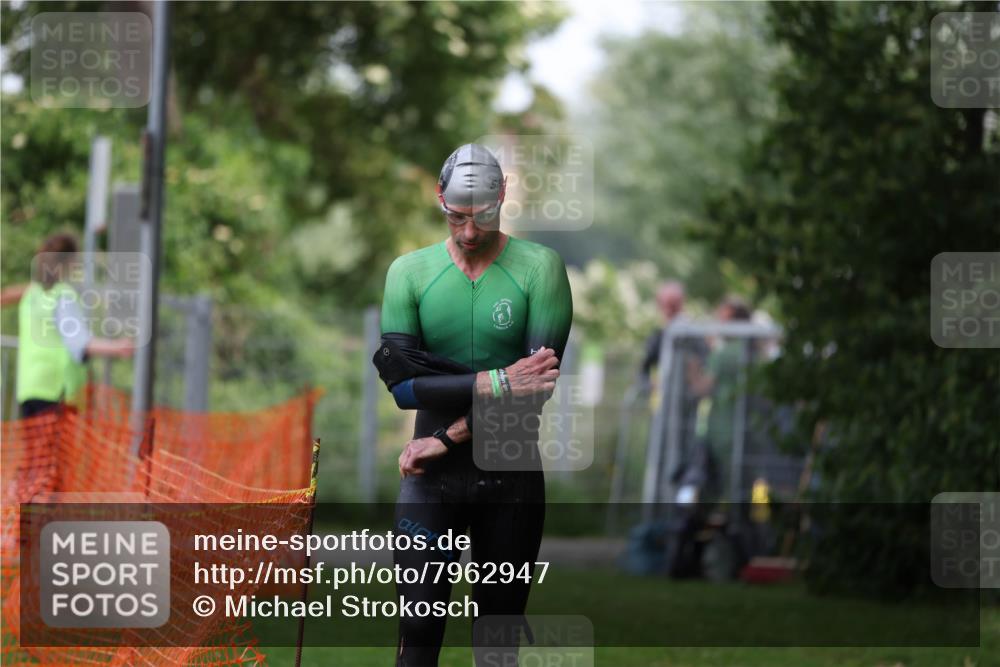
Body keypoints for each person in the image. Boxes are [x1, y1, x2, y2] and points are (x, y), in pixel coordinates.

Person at [375, 143, 573, 666]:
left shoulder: (540, 268)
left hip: (509, 478)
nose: (468, 232)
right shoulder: (409, 273)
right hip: (429, 484)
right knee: (416, 639)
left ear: (503, 197)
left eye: (483, 216)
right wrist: (496, 380)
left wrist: (444, 438)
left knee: (497, 646)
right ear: (440, 200)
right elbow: (401, 390)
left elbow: (538, 388)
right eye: (456, 217)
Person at [3, 232, 133, 418]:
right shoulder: (62, 296)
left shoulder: (32, 294)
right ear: (69, 262)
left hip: (28, 387)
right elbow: (79, 341)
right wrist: (118, 347)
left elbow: (6, 295)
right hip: (55, 389)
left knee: (36, 447)